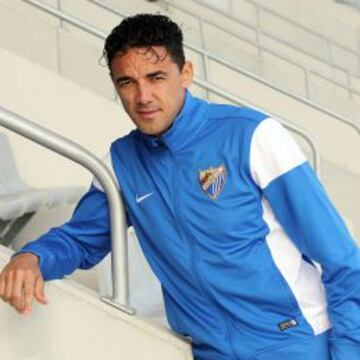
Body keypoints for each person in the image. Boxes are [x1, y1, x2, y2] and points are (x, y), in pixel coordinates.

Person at [0, 13, 359, 360]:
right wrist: (32, 257)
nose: (143, 97)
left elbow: (341, 260)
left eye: (156, 77)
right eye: (127, 82)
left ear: (185, 73)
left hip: (297, 344)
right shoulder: (122, 162)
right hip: (211, 353)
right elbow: (81, 238)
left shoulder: (252, 135)